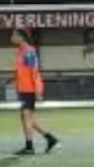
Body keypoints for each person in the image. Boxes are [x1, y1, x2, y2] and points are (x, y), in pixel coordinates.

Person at [11, 27, 59, 155]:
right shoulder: (21, 52)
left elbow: (34, 72)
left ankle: (29, 147)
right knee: (26, 117)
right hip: (24, 89)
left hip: (30, 89)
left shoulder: (28, 52)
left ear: (21, 37)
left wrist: (38, 91)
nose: (12, 38)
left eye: (14, 35)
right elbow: (22, 72)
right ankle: (49, 138)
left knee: (26, 116)